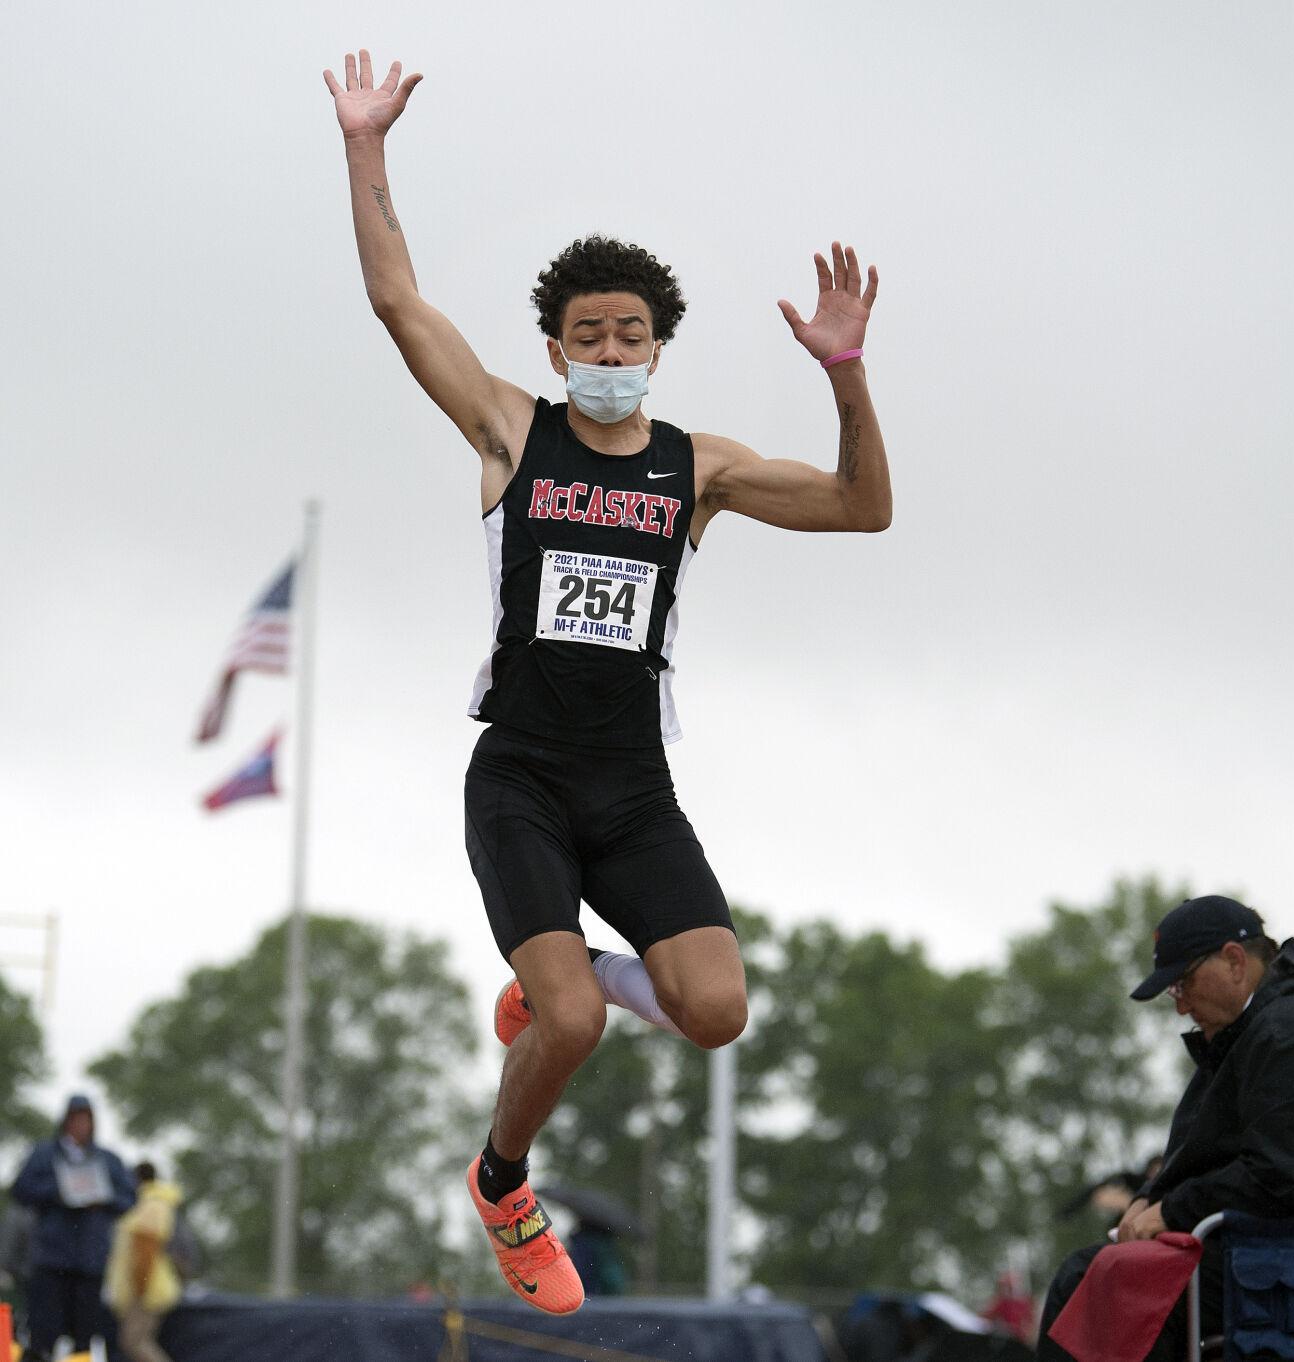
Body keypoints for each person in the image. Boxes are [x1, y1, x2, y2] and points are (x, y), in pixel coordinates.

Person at [323, 49, 891, 1316]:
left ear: (658, 346)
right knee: (570, 1024)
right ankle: (502, 1182)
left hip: (633, 788)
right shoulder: (512, 430)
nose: (610, 348)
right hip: (520, 775)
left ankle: (554, 979)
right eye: (588, 334)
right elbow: (398, 302)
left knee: (716, 1011)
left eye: (631, 332)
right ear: (556, 346)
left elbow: (864, 509)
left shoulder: (699, 470)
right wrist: (366, 146)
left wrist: (845, 374)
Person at [1036, 895, 1294, 1362]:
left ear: (1234, 961)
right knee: (1098, 1274)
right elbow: (1213, 1151)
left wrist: (1171, 1210)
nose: (1180, 1006)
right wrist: (1152, 1196)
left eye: (1183, 983)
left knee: (1094, 1280)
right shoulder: (1259, 1029)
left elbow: (1280, 1176)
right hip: (1288, 1248)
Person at [9, 1094, 135, 1362]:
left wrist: (103, 1198)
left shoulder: (108, 1160)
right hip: (51, 1259)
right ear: (66, 1121)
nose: (81, 1125)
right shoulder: (44, 1154)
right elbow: (20, 1190)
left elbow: (129, 1199)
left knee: (85, 1335)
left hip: (89, 1261)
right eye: (75, 1119)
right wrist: (61, 1191)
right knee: (42, 1331)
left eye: (86, 1119)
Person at [104, 1163, 182, 1362]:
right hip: (145, 1286)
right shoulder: (149, 1203)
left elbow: (145, 1249)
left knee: (135, 1342)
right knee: (135, 1342)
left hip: (147, 1287)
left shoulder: (151, 1205)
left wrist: (140, 1288)